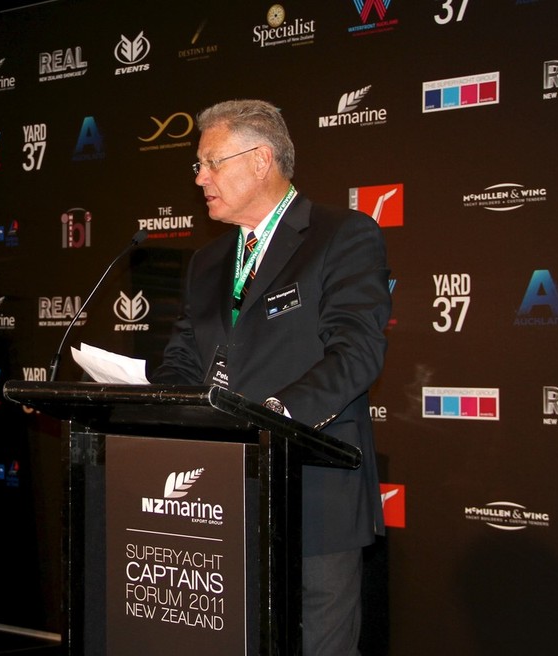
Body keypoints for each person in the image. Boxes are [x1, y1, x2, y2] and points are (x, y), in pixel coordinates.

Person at [150, 99, 390, 655]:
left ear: (260, 160)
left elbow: (356, 352)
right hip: (220, 496)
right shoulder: (208, 261)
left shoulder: (341, 234)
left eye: (210, 162)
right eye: (198, 166)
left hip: (315, 490)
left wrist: (276, 416)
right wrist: (157, 405)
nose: (200, 178)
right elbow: (185, 359)